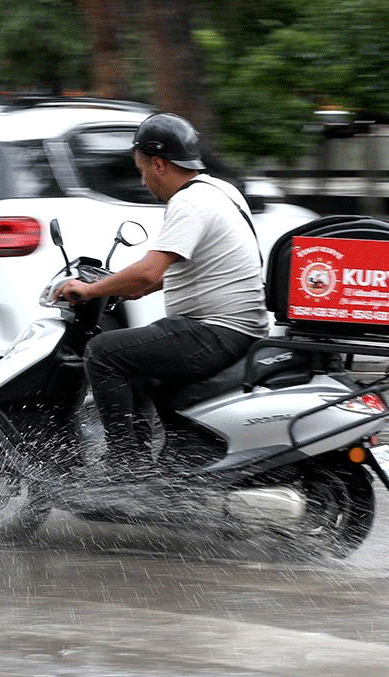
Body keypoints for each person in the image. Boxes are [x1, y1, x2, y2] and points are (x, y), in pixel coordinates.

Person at [54, 113, 267, 478]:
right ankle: (162, 466)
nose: (143, 180)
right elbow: (198, 267)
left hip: (216, 331)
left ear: (159, 163)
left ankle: (125, 466)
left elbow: (151, 268)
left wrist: (89, 289)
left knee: (103, 353)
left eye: (142, 170)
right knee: (134, 353)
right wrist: (134, 289)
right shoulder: (220, 190)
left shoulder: (189, 204)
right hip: (236, 328)